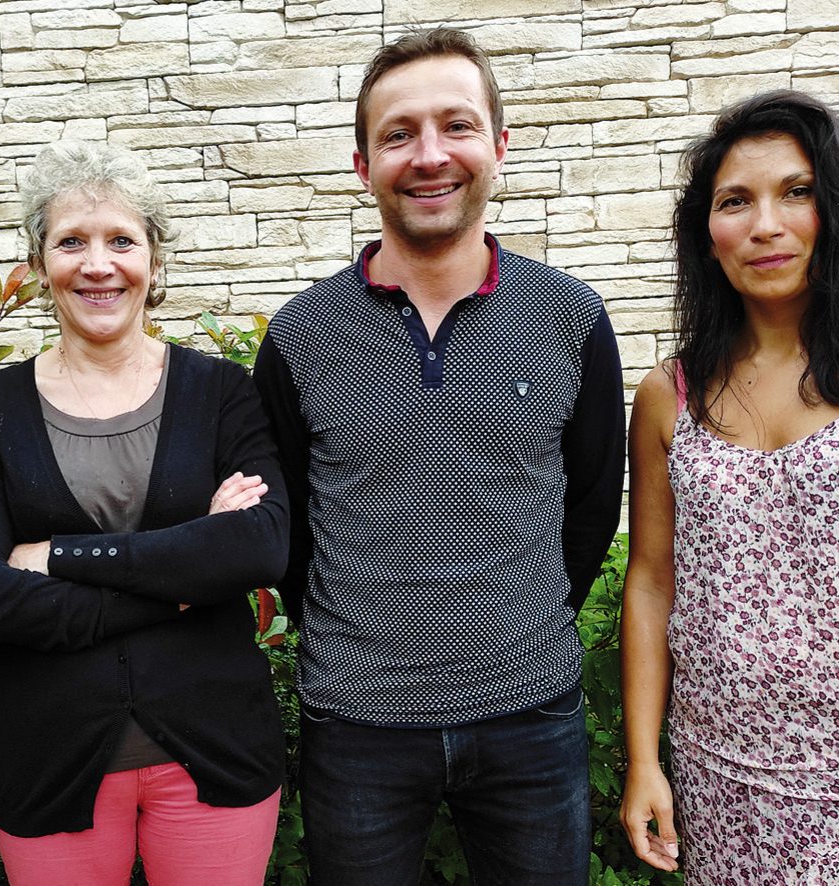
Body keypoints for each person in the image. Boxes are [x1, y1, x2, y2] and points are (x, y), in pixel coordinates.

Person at [252, 27, 625, 885]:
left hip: (530, 713)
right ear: (361, 164)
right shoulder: (300, 338)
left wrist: (513, 626)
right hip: (356, 725)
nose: (429, 156)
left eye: (455, 127)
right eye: (398, 134)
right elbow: (291, 529)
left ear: (498, 147)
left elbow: (590, 505)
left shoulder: (569, 320)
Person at [619, 90, 839, 885]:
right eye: (734, 202)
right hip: (724, 784)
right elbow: (649, 584)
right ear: (704, 235)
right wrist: (644, 761)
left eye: (796, 191)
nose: (765, 225)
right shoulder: (667, 395)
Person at [0, 140, 289, 886]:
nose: (98, 265)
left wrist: (55, 557)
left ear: (154, 263)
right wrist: (188, 575)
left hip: (214, 757)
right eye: (71, 242)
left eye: (121, 241)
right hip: (47, 762)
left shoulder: (222, 394)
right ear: (38, 267)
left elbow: (258, 548)